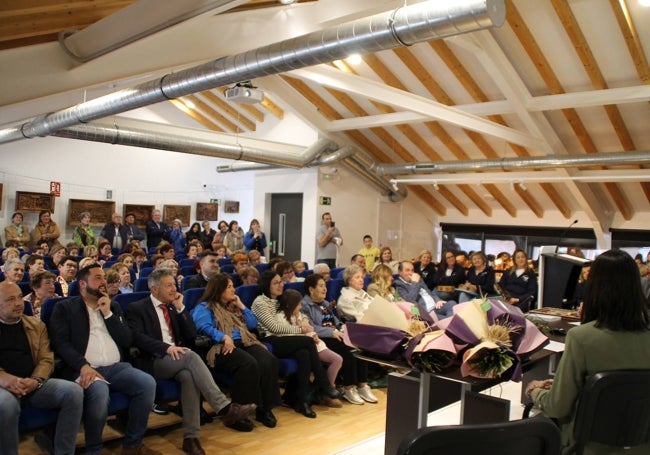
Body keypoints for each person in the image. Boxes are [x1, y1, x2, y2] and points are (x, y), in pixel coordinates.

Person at [525, 250, 650, 455]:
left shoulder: (581, 338)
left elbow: (558, 407)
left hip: (587, 448)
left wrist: (536, 391)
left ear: (596, 287)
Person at [127, 269, 255, 452]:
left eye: (174, 284)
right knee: (190, 357)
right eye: (168, 285)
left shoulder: (173, 306)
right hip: (154, 359)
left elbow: (191, 334)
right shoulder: (137, 307)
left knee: (188, 376)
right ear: (154, 289)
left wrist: (180, 308)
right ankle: (224, 408)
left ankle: (191, 438)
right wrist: (166, 348)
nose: (174, 288)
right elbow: (137, 338)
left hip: (178, 359)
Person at [49, 264, 159, 455]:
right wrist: (83, 366)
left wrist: (108, 314)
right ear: (82, 283)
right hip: (84, 369)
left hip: (116, 367)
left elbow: (126, 340)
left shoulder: (113, 306)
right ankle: (94, 449)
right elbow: (61, 344)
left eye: (103, 278)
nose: (103, 282)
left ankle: (133, 444)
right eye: (97, 278)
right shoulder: (64, 308)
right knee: (99, 391)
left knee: (147, 383)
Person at [0, 281, 84, 455]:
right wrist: (4, 378)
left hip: (33, 382)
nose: (17, 303)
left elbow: (46, 359)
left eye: (19, 298)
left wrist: (36, 380)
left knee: (73, 392)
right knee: (6, 404)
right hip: (3, 386)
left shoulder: (36, 325)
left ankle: (64, 451)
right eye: (10, 299)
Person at [191, 273, 280, 429]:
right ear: (218, 290)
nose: (233, 290)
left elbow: (252, 325)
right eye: (229, 287)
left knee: (268, 360)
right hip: (218, 346)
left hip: (244, 341)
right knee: (248, 363)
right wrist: (224, 336)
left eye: (233, 286)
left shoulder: (233, 306)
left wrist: (242, 306)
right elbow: (203, 327)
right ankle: (237, 415)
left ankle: (264, 409)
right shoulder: (205, 307)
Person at [251, 270, 341, 419]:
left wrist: (304, 321)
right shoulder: (260, 302)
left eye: (281, 282)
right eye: (276, 282)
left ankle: (302, 401)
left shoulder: (280, 299)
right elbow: (274, 327)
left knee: (304, 354)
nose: (281, 285)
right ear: (266, 285)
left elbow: (299, 313)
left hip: (287, 338)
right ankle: (324, 384)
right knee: (308, 341)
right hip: (270, 340)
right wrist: (301, 329)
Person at [302, 274, 377, 405]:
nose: (325, 289)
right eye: (321, 286)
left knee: (361, 346)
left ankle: (363, 385)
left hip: (335, 333)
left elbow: (335, 321)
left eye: (325, 286)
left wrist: (342, 328)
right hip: (321, 338)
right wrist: (332, 332)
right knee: (348, 351)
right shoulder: (305, 305)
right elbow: (311, 327)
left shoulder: (324, 303)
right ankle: (349, 387)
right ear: (311, 289)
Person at [277, 289, 343, 407]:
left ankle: (324, 390)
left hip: (312, 342)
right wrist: (309, 334)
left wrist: (310, 332)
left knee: (337, 358)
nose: (301, 306)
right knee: (335, 359)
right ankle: (325, 391)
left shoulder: (299, 315)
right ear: (289, 304)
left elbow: (309, 327)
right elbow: (289, 335)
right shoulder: (281, 317)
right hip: (299, 345)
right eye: (298, 304)